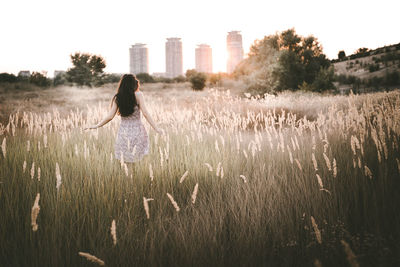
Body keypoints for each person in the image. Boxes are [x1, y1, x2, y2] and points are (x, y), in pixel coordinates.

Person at [85, 74, 162, 163]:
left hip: (123, 133)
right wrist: (156, 128)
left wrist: (97, 125)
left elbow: (110, 116)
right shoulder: (139, 95)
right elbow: (145, 113)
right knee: (138, 161)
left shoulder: (118, 97)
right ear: (133, 84)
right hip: (138, 132)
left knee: (126, 162)